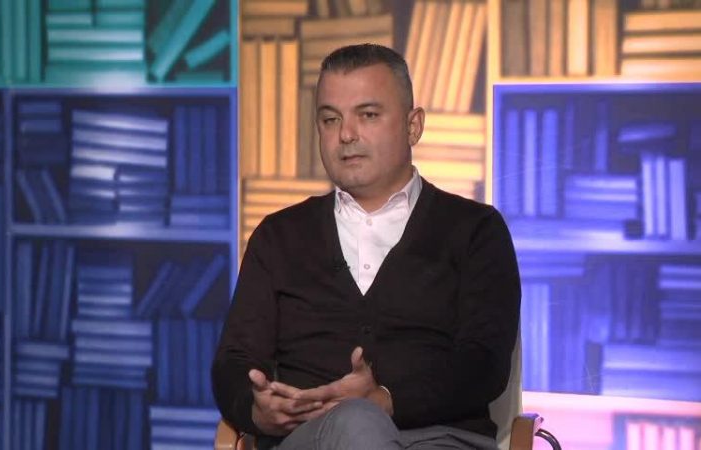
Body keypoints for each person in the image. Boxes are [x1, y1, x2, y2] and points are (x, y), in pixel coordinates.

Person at [212, 43, 520, 450]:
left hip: (441, 438)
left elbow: (484, 363)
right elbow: (234, 361)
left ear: (413, 126)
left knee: (360, 419)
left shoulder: (476, 231)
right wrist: (257, 411)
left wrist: (386, 400)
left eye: (368, 115)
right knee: (355, 423)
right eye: (330, 119)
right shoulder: (278, 237)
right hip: (312, 439)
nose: (346, 135)